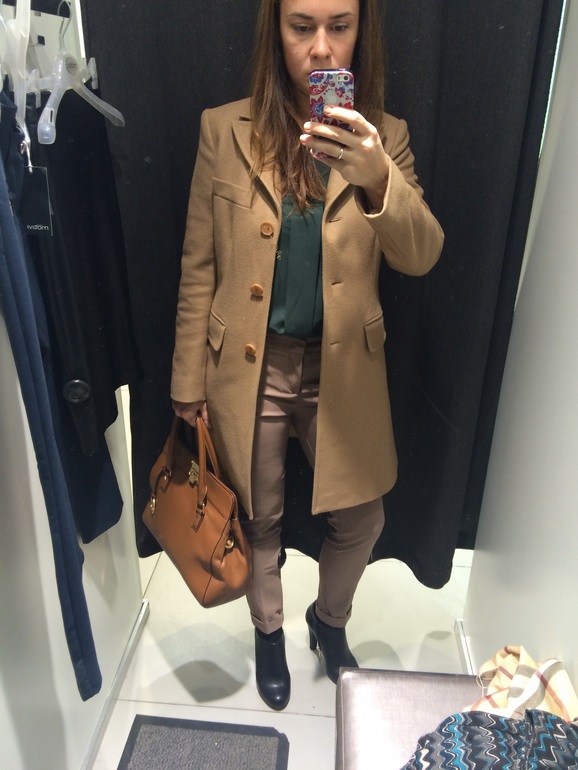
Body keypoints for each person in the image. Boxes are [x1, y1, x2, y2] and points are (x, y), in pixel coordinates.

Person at [171, 0, 444, 711]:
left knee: (364, 519)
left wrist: (377, 176)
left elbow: (421, 254)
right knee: (257, 516)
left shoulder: (385, 138)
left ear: (361, 31)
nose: (322, 48)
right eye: (302, 27)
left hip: (342, 373)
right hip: (250, 368)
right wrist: (186, 384)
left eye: (339, 26)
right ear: (276, 31)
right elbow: (199, 266)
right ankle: (268, 631)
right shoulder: (222, 129)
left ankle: (329, 623)